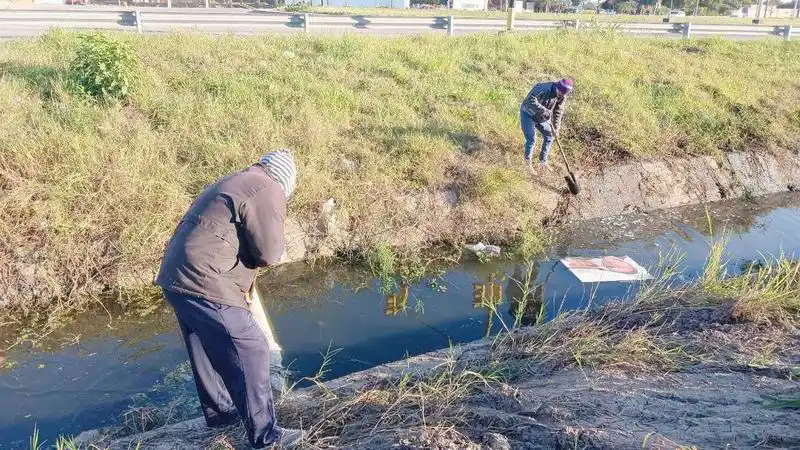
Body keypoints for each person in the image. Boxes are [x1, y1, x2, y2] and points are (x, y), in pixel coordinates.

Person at [156, 150, 304, 449]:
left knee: (204, 345)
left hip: (175, 276)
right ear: (286, 181)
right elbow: (268, 253)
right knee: (252, 348)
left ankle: (222, 415)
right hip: (205, 278)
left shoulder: (238, 180)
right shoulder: (269, 188)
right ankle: (267, 436)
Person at [520, 78, 574, 171]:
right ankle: (527, 164)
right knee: (531, 139)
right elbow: (529, 100)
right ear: (558, 87)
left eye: (564, 94)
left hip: (541, 117)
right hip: (528, 113)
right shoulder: (544, 88)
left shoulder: (562, 95)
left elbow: (558, 111)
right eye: (561, 93)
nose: (562, 96)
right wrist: (544, 111)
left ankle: (543, 161)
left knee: (550, 135)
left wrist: (556, 128)